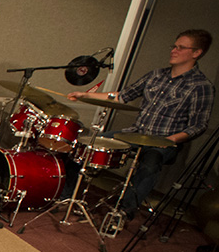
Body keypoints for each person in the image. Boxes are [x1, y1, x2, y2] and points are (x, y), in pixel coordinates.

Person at [67, 29, 214, 219]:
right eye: (174, 46)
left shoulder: (201, 86)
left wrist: (171, 139)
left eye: (181, 48)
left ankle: (123, 211)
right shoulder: (156, 75)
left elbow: (198, 125)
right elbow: (122, 96)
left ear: (196, 53)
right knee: (86, 144)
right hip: (135, 133)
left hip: (163, 142)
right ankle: (67, 196)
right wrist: (85, 94)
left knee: (150, 165)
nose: (174, 51)